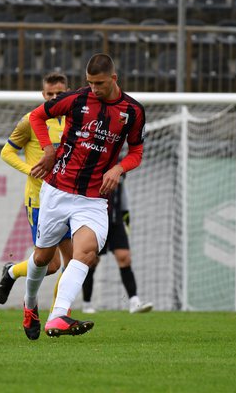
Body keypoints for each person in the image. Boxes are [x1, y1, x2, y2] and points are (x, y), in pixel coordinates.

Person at [24, 53, 146, 339]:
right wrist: (49, 149)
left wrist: (119, 167)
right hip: (57, 191)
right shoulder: (77, 99)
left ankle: (58, 316)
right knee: (43, 259)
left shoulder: (133, 111)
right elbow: (37, 116)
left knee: (87, 253)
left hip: (93, 198)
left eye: (99, 83)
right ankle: (30, 304)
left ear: (114, 79)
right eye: (90, 83)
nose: (94, 89)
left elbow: (137, 151)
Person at [0, 73, 73, 314]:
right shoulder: (31, 120)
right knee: (50, 265)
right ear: (43, 95)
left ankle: (59, 313)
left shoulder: (75, 120)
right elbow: (7, 152)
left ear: (67, 93)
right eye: (49, 94)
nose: (54, 98)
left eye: (59, 94)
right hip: (40, 199)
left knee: (73, 262)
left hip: (69, 198)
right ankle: (11, 272)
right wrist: (31, 169)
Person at [82, 177, 153, 314]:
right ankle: (87, 303)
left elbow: (124, 201)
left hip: (116, 223)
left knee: (124, 257)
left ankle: (134, 301)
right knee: (92, 260)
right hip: (97, 221)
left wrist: (126, 226)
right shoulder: (95, 169)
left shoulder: (119, 173)